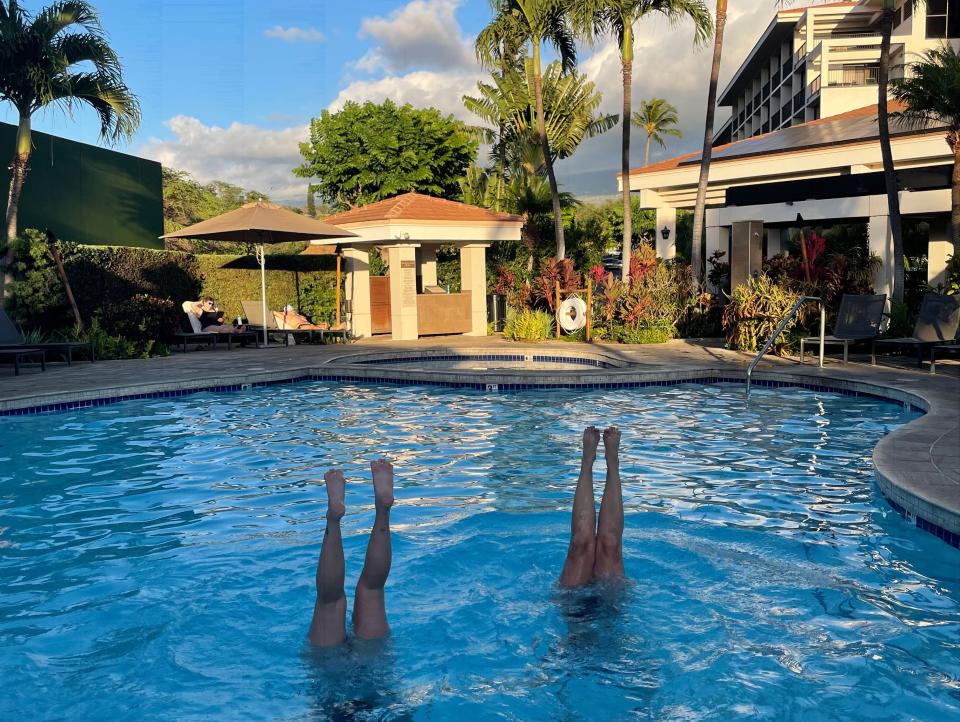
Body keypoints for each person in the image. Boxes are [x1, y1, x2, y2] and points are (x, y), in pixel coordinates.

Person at [308, 459, 395, 647]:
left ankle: (334, 517)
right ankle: (383, 509)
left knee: (330, 603)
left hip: (330, 667)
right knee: (372, 590)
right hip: (374, 658)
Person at [559, 426, 625, 589]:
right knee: (579, 543)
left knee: (610, 544)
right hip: (573, 606)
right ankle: (587, 461)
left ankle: (612, 463)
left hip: (610, 605)